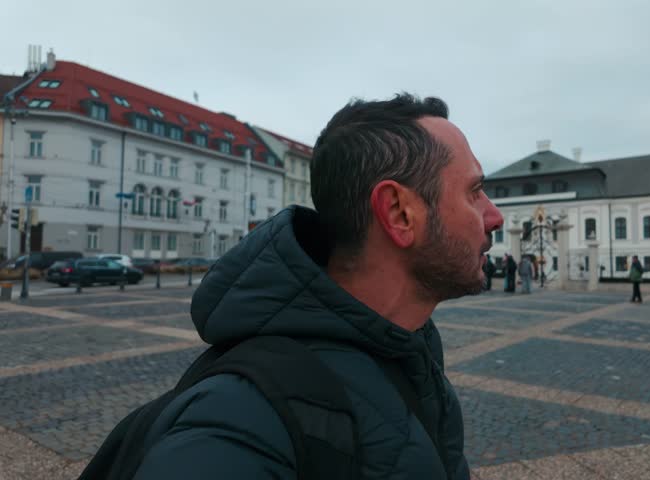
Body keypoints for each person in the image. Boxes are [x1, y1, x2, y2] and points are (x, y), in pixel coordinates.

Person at [132, 94, 503, 479]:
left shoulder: (412, 352)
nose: (494, 216)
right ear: (398, 213)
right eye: (473, 192)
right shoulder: (238, 418)